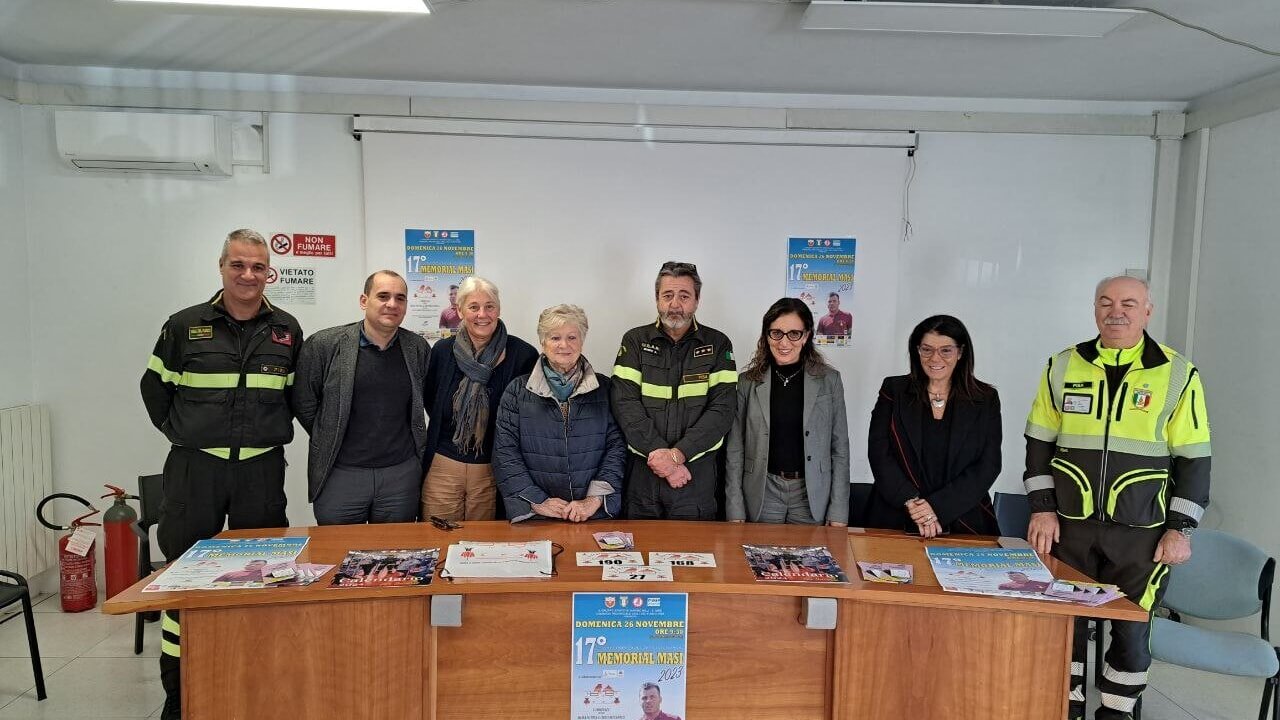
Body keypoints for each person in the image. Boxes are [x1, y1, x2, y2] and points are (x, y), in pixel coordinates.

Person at [1024, 275, 1210, 720]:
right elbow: (1037, 445)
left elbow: (1195, 460)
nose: (1116, 311)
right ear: (1094, 310)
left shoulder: (1178, 374)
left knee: (1130, 630)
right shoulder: (1063, 365)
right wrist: (1043, 510)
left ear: (1148, 311)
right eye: (1105, 302)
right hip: (1070, 528)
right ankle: (1062, 708)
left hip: (1141, 535)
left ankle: (1116, 712)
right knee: (1064, 627)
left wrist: (1179, 529)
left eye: (1129, 302)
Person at [139, 228, 303, 720]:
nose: (248, 275)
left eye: (257, 266)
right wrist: (184, 433)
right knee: (184, 576)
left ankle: (253, 681)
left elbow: (296, 396)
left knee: (265, 574)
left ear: (268, 272)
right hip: (196, 468)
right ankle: (181, 694)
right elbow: (154, 389)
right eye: (238, 265)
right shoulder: (184, 326)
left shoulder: (287, 329)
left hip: (260, 469)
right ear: (222, 267)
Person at [293, 270, 431, 525]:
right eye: (383, 296)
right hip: (340, 475)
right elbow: (304, 402)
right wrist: (329, 432)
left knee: (395, 557)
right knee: (336, 554)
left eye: (400, 298)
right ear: (364, 301)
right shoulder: (323, 345)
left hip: (400, 476)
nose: (392, 304)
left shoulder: (417, 348)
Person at [611, 261, 737, 520]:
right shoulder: (635, 341)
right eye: (667, 295)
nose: (675, 304)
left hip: (695, 476)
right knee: (639, 557)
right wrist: (663, 460)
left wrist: (677, 456)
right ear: (657, 299)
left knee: (696, 556)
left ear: (697, 300)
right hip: (643, 475)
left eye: (684, 296)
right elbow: (625, 404)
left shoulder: (718, 343)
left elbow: (722, 411)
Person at [865, 315, 1002, 537]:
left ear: (961, 352)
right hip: (896, 513)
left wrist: (937, 507)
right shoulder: (894, 389)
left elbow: (989, 464)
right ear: (916, 351)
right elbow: (879, 452)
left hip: (963, 515)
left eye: (945, 350)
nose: (934, 358)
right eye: (926, 350)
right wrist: (913, 503)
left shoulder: (985, 398)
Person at [493, 304, 626, 522]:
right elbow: (505, 453)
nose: (564, 345)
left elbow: (617, 447)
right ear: (542, 342)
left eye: (572, 337)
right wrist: (537, 501)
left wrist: (594, 500)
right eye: (555, 338)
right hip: (535, 515)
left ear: (582, 341)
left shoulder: (605, 389)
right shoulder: (517, 391)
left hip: (591, 515)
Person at [421, 276, 538, 522]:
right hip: (444, 464)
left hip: (494, 467)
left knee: (484, 545)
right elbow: (431, 399)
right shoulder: (442, 351)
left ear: (499, 309)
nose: (482, 314)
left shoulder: (523, 355)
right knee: (437, 536)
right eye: (473, 307)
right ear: (460, 310)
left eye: (489, 306)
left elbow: (527, 415)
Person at [725, 297, 850, 526]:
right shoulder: (747, 382)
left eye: (794, 334)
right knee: (759, 560)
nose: (784, 342)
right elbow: (735, 448)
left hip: (811, 494)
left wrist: (839, 512)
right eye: (776, 333)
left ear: (807, 335)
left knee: (809, 562)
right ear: (766, 335)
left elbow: (839, 448)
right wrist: (735, 508)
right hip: (763, 492)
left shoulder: (829, 380)